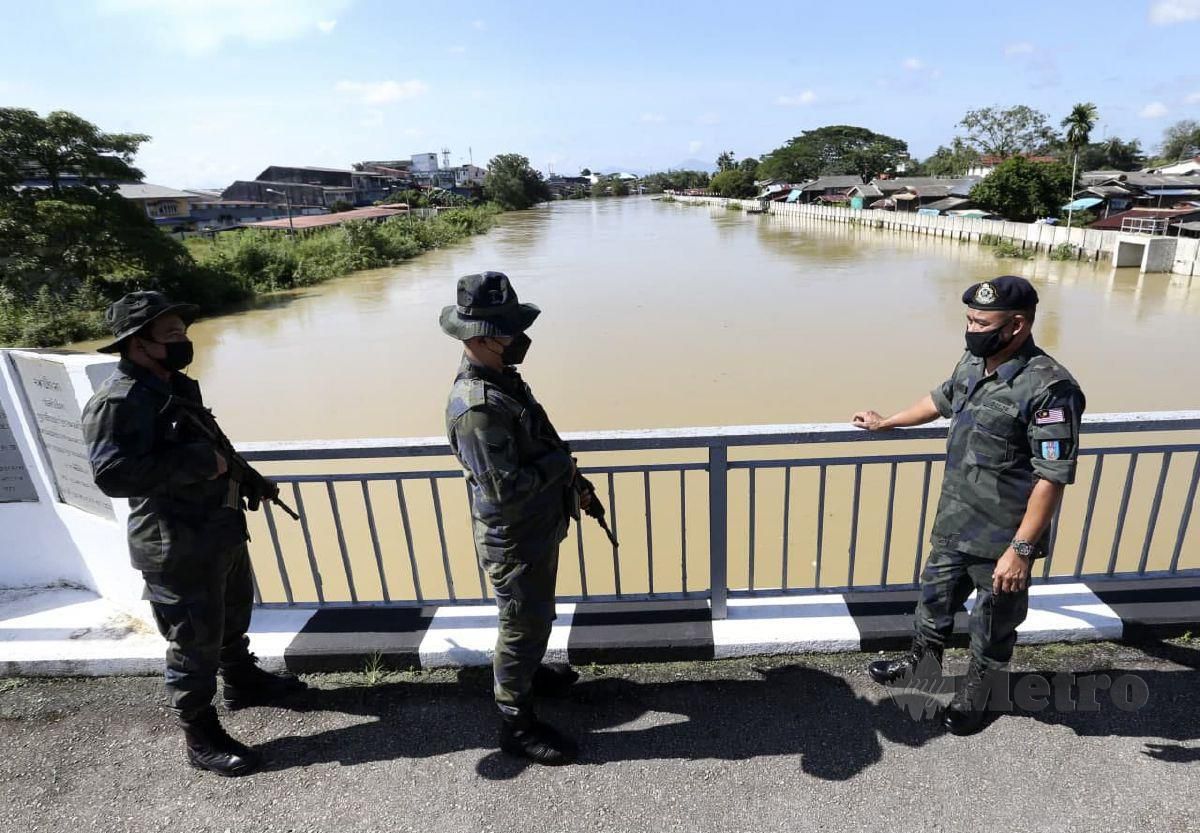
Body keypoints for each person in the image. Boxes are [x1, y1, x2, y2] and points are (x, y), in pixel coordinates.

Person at [82, 291, 305, 777]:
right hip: (174, 544)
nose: (184, 342)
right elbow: (113, 475)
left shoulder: (173, 387)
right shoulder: (119, 402)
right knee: (193, 641)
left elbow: (213, 444)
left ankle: (243, 682)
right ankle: (200, 736)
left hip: (216, 529)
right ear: (137, 345)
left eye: (183, 332)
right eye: (172, 336)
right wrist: (203, 464)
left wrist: (247, 477)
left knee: (229, 617)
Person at [852, 275, 1085, 735]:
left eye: (982, 321)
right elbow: (940, 400)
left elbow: (1051, 478)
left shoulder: (1050, 388)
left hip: (1002, 536)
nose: (971, 328)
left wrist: (1019, 551)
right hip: (956, 519)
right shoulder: (974, 362)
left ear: (1017, 325)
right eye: (969, 319)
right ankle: (922, 668)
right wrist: (888, 423)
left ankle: (980, 696)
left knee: (993, 624)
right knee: (933, 602)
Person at [441, 271, 588, 765]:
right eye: (508, 331)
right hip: (515, 533)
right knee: (521, 623)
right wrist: (558, 467)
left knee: (535, 614)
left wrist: (570, 478)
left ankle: (530, 675)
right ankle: (515, 723)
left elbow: (541, 441)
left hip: (536, 526)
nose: (520, 339)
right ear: (480, 338)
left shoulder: (504, 382)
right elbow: (504, 489)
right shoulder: (477, 407)